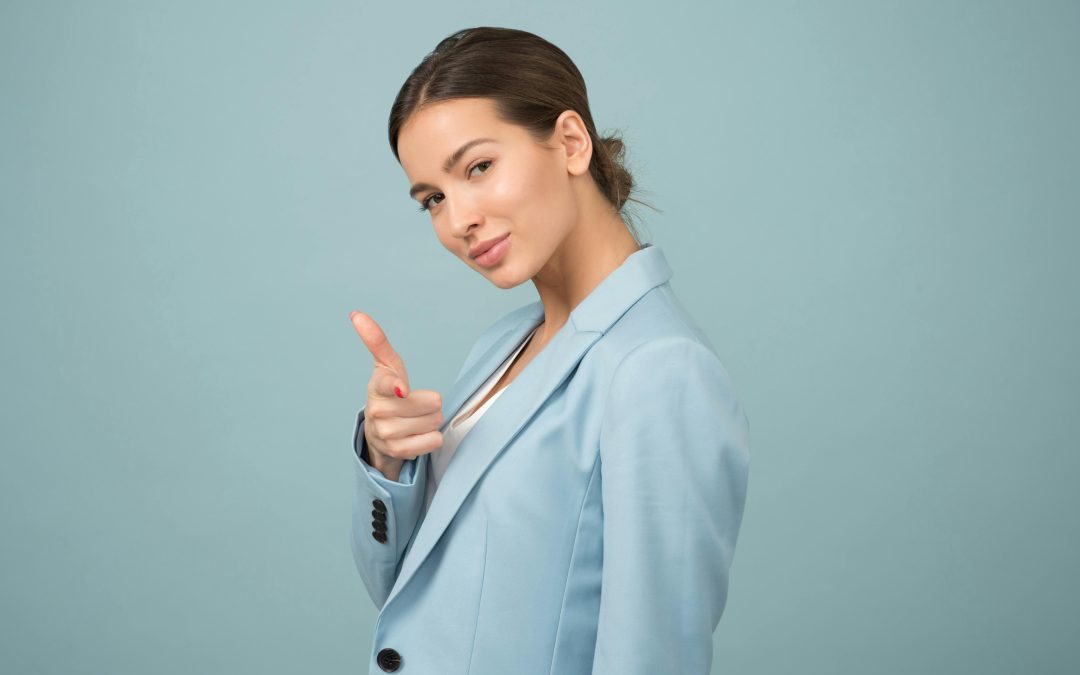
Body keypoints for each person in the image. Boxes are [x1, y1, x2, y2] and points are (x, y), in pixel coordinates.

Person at [346, 26, 750, 675]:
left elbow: (653, 658)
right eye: (433, 200)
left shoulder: (658, 369)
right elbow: (409, 609)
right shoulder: (502, 344)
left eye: (478, 167)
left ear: (570, 141)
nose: (458, 221)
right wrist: (389, 461)